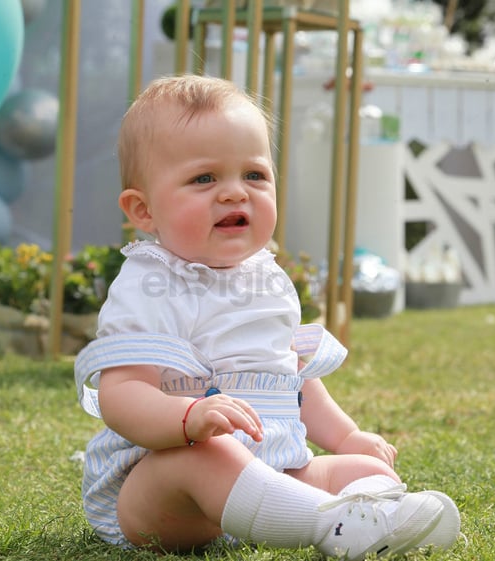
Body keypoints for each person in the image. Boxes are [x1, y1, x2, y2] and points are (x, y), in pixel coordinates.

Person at [74, 74, 460, 560]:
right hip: (164, 485)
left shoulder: (267, 279)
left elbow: (289, 378)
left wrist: (346, 436)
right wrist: (188, 417)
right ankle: (329, 525)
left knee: (365, 470)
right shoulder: (150, 283)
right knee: (211, 456)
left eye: (254, 175)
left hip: (275, 468)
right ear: (144, 210)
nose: (235, 193)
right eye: (204, 178)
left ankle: (364, 511)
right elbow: (121, 394)